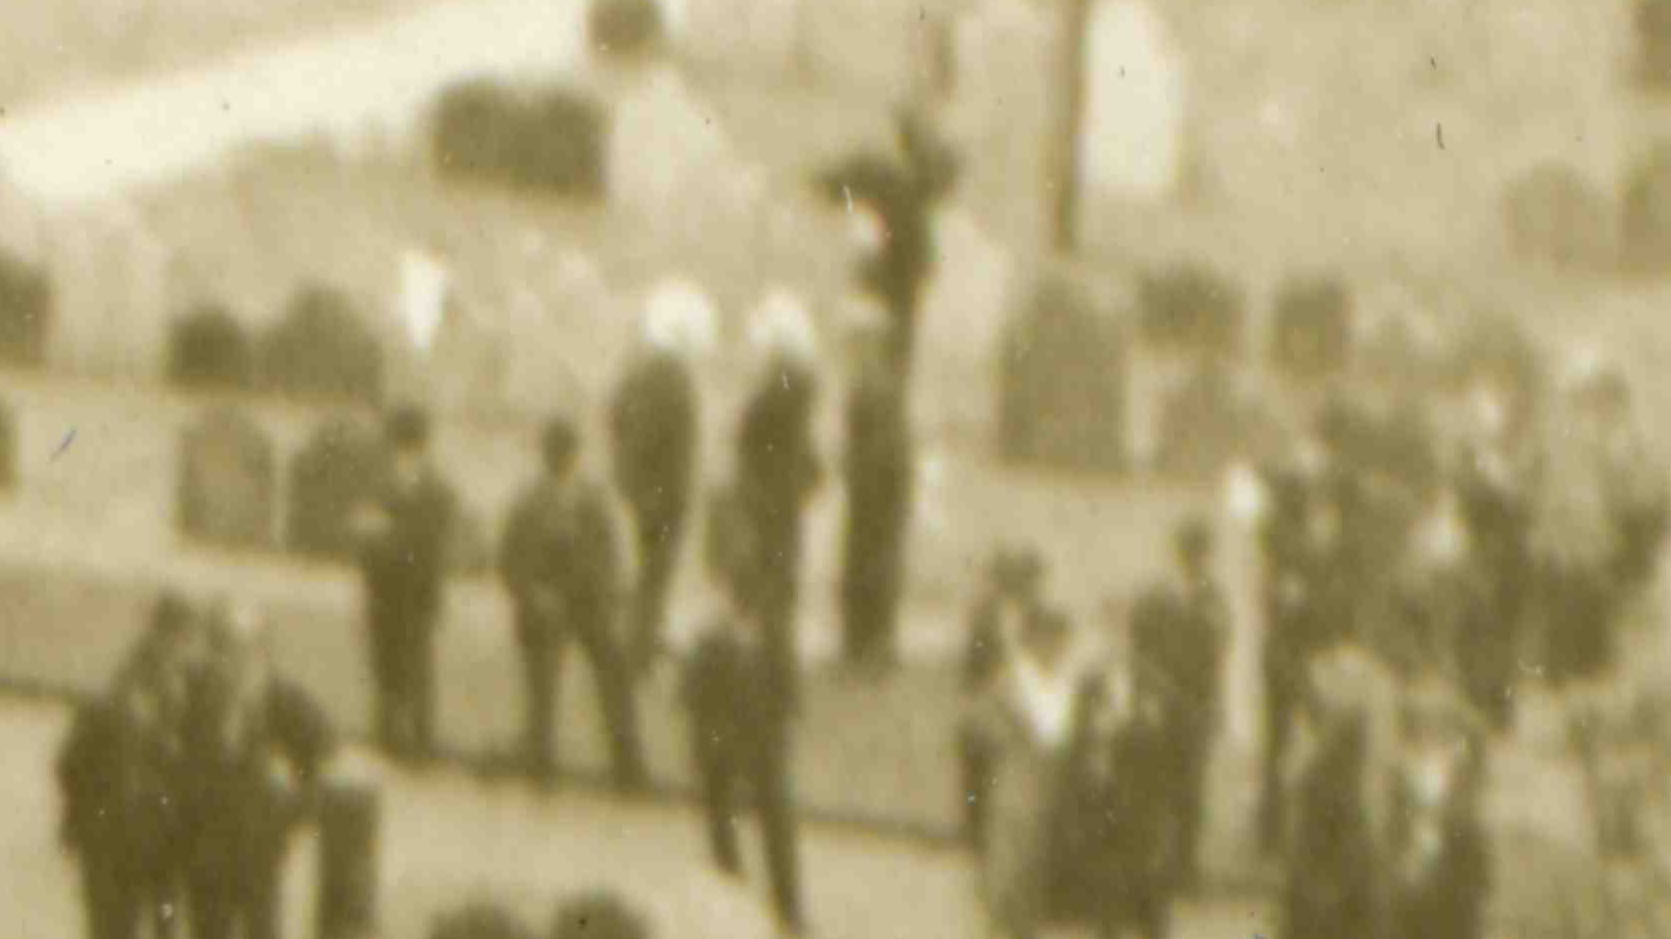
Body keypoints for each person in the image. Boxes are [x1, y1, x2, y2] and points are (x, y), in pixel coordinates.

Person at [500, 416, 646, 790]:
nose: (562, 462)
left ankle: (628, 768)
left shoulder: (594, 500)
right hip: (546, 604)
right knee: (542, 681)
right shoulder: (529, 501)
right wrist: (533, 593)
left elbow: (612, 554)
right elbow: (510, 558)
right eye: (555, 454)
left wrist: (609, 598)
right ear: (546, 457)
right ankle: (540, 763)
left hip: (590, 604)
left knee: (614, 674)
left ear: (575, 456)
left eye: (566, 454)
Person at [179, 601, 336, 939]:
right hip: (206, 847)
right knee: (209, 927)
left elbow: (321, 748)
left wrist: (297, 805)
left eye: (245, 649)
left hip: (259, 844)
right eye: (223, 648)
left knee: (261, 926)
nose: (233, 660)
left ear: (261, 652)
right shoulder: (193, 696)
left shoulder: (278, 698)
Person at [58, 591, 201, 939]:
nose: (181, 649)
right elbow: (74, 761)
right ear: (160, 636)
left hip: (164, 840)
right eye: (176, 638)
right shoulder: (121, 687)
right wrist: (81, 819)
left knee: (158, 924)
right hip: (119, 836)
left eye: (184, 641)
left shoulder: (189, 690)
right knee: (115, 927)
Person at [679, 573, 806, 937]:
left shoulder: (772, 637)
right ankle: (732, 903)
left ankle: (787, 908)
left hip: (761, 745)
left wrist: (776, 734)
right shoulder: (710, 640)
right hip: (721, 745)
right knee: (722, 825)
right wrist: (708, 737)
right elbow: (690, 693)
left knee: (774, 825)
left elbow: (790, 694)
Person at [1059, 596, 1178, 939]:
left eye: (1121, 631)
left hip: (1142, 796)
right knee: (1106, 879)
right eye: (1107, 631)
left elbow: (1167, 743)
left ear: (1133, 636)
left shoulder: (1153, 682)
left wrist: (1125, 729)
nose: (1114, 640)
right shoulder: (1089, 685)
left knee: (1149, 880)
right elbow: (1076, 740)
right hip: (1103, 795)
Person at [967, 605, 1080, 939]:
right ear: (1033, 641)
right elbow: (978, 723)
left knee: (1035, 876)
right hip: (1014, 785)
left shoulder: (1062, 684)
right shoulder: (1012, 681)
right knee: (1007, 873)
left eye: (1061, 642)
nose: (1056, 649)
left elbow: (1066, 735)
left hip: (1051, 787)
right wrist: (1011, 740)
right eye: (1049, 640)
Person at [610, 281, 704, 675]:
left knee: (648, 567)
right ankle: (641, 649)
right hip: (665, 492)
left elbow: (615, 415)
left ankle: (645, 637)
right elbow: (668, 437)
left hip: (644, 488)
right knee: (655, 572)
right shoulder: (673, 378)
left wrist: (626, 471)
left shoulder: (638, 372)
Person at [353, 404, 456, 761]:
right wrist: (380, 539)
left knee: (416, 662)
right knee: (387, 661)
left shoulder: (436, 489)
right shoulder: (380, 485)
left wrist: (390, 536)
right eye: (401, 447)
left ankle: (420, 739)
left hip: (417, 588)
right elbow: (365, 534)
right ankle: (390, 736)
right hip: (384, 587)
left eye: (410, 447)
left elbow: (431, 539)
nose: (405, 455)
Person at [736, 291, 823, 706]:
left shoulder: (778, 390)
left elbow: (750, 433)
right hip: (783, 498)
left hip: (767, 499)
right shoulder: (799, 387)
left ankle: (775, 679)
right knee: (780, 588)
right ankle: (779, 677)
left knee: (770, 589)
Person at [1133, 517, 1228, 890]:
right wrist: (1152, 692)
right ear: (1179, 554)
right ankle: (1156, 865)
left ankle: (1186, 867)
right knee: (1158, 783)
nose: (1195, 559)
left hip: (1196, 704)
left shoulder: (1213, 598)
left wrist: (1215, 704)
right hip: (1162, 699)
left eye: (1201, 553)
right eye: (1190, 552)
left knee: (1192, 787)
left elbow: (1218, 655)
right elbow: (1140, 650)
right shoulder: (1157, 597)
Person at [1385, 673, 1490, 939]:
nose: (1428, 727)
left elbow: (1464, 817)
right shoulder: (1401, 764)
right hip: (1410, 868)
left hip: (1452, 868)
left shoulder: (1461, 760)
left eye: (1436, 720)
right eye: (1420, 719)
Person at [959, 545, 1048, 851]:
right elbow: (975, 663)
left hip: (1019, 697)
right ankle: (976, 831)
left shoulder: (1034, 616)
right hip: (988, 698)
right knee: (980, 763)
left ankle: (1006, 835)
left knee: (1015, 769)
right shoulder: (987, 615)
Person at [837, 316, 914, 671]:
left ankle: (869, 647)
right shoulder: (877, 384)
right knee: (870, 566)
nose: (856, 352)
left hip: (876, 493)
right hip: (872, 491)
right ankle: (864, 645)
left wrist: (858, 473)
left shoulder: (875, 386)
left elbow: (883, 447)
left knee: (872, 567)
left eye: (861, 343)